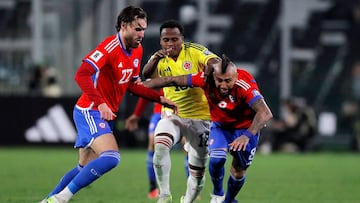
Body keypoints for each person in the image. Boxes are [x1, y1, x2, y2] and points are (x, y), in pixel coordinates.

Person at [38, 6, 178, 203]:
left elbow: (131, 85)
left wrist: (159, 99)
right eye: (138, 29)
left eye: (144, 29)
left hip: (105, 113)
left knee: (83, 167)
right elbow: (82, 74)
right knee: (112, 157)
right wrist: (101, 103)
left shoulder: (137, 50)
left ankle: (48, 200)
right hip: (91, 110)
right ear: (124, 25)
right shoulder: (109, 47)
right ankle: (61, 199)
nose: (142, 34)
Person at [142, 54, 273, 203]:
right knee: (216, 159)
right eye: (219, 80)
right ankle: (218, 194)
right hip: (220, 126)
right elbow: (173, 79)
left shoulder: (245, 85)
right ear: (213, 76)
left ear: (235, 77)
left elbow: (265, 113)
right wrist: (138, 86)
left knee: (238, 172)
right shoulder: (205, 79)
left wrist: (246, 136)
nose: (223, 85)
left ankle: (228, 200)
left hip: (245, 129)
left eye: (228, 81)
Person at [142, 20, 220, 203]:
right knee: (159, 145)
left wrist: (207, 72)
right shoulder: (158, 58)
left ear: (182, 39)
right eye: (166, 40)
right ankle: (164, 195)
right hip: (173, 115)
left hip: (201, 119)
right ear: (161, 41)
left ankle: (187, 200)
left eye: (174, 39)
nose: (170, 44)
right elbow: (146, 75)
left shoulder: (193, 50)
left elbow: (215, 62)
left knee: (198, 174)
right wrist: (154, 59)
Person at [125, 93, 190, 199]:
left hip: (182, 112)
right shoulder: (159, 77)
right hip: (159, 112)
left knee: (187, 146)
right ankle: (153, 187)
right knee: (153, 143)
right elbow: (147, 92)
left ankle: (192, 187)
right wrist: (137, 114)